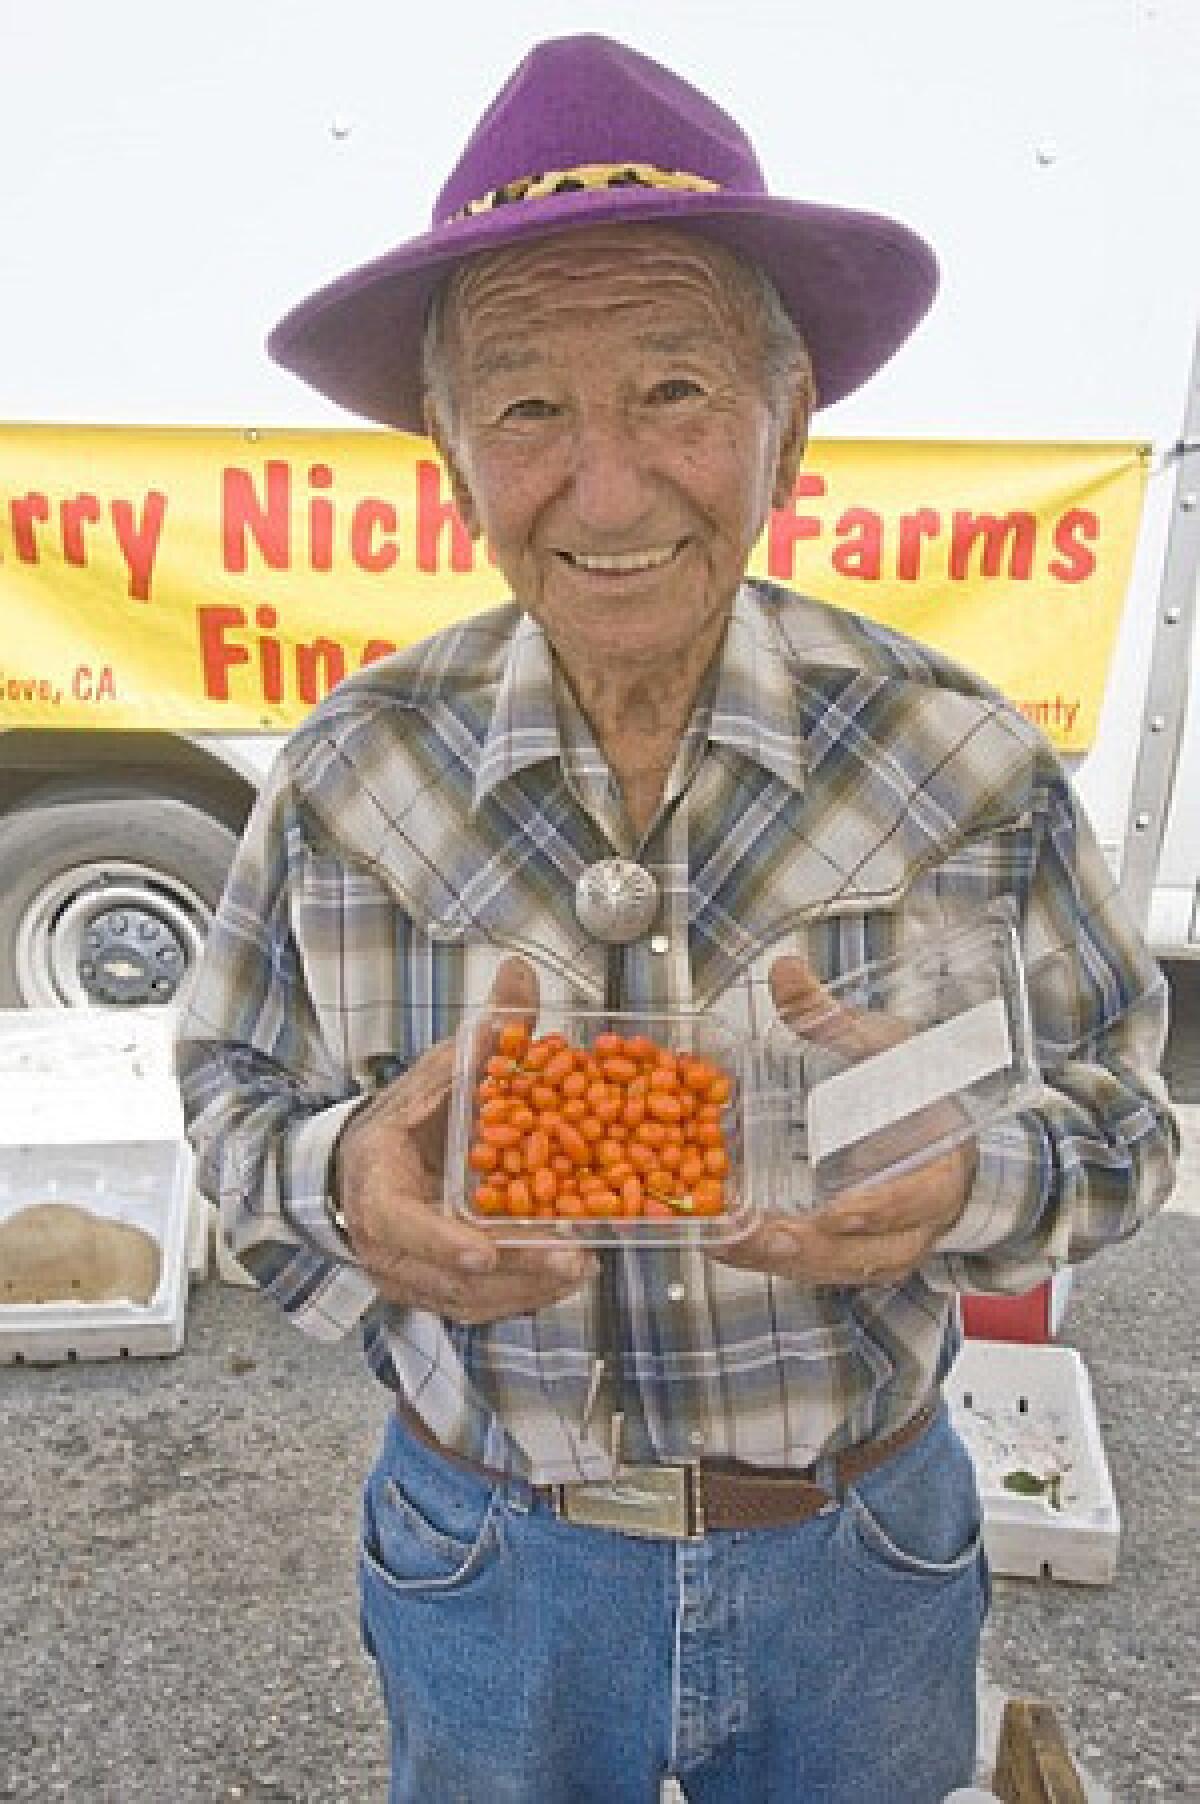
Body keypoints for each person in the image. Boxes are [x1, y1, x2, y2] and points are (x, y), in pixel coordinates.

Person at [177, 33, 1178, 1804]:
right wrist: (349, 1184)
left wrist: (969, 1181)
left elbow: (1119, 1130)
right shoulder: (350, 768)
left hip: (857, 1558)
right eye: (531, 407)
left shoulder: (960, 762)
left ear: (787, 418)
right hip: (488, 1561)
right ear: (449, 447)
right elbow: (231, 1109)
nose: (611, 488)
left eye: (674, 391)